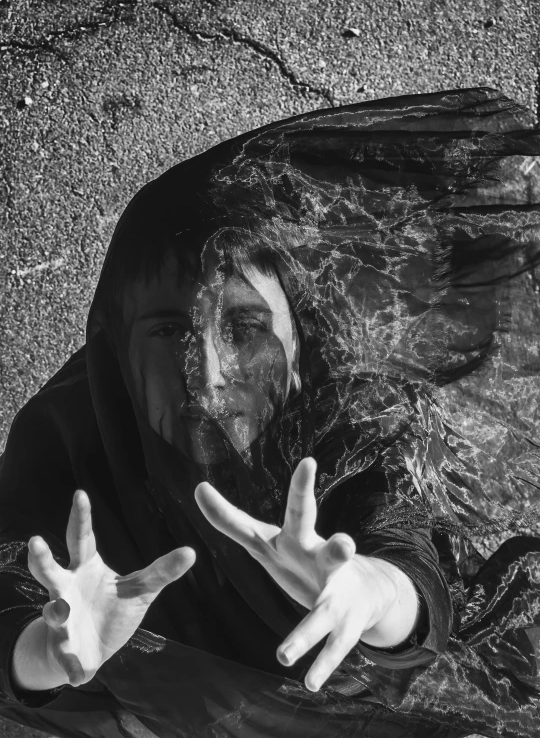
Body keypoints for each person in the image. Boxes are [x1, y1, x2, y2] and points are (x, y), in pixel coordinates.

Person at [0, 86, 539, 738]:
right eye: (169, 333)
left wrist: (371, 594)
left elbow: (399, 547)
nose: (209, 375)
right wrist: (46, 652)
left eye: (245, 328)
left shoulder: (351, 415)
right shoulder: (68, 434)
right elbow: (12, 581)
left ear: (298, 332)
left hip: (343, 679)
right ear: (117, 333)